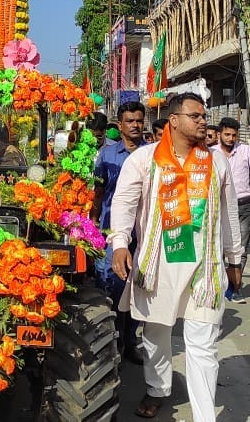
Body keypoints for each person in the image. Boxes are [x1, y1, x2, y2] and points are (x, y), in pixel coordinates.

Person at [109, 93, 242, 420]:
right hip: (158, 266)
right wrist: (120, 244)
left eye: (203, 115)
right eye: (195, 115)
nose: (203, 121)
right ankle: (157, 388)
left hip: (204, 268)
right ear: (174, 120)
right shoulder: (145, 158)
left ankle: (204, 416)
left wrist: (234, 258)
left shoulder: (217, 161)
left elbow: (229, 214)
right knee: (155, 336)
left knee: (203, 347)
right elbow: (124, 203)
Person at [91, 100, 147, 365]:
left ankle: (130, 341)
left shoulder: (153, 154)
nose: (135, 125)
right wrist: (92, 226)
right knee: (111, 286)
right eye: (130, 121)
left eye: (139, 120)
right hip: (111, 230)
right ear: (120, 125)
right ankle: (110, 342)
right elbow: (99, 192)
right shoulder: (107, 156)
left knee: (139, 288)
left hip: (143, 232)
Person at [213, 117, 250, 303]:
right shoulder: (211, 153)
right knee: (217, 247)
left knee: (239, 248)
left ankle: (235, 288)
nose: (230, 138)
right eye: (227, 134)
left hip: (243, 205)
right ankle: (219, 286)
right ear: (219, 134)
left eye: (234, 135)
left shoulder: (245, 151)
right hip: (218, 206)